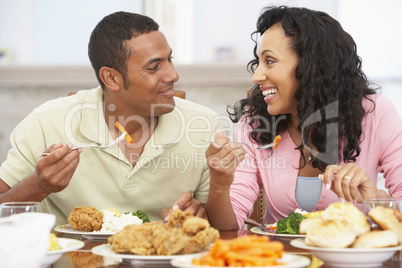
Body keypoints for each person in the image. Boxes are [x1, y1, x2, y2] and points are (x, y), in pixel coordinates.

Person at [0, 11, 223, 225]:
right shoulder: (46, 123)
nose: (173, 75)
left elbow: (220, 224)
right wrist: (38, 186)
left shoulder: (203, 127)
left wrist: (199, 216)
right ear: (111, 78)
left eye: (170, 60)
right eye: (154, 67)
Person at [205, 5, 402, 230]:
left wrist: (374, 197)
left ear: (311, 66)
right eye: (258, 62)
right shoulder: (255, 122)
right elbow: (228, 227)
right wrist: (220, 185)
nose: (257, 76)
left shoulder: (375, 114)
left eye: (269, 61)